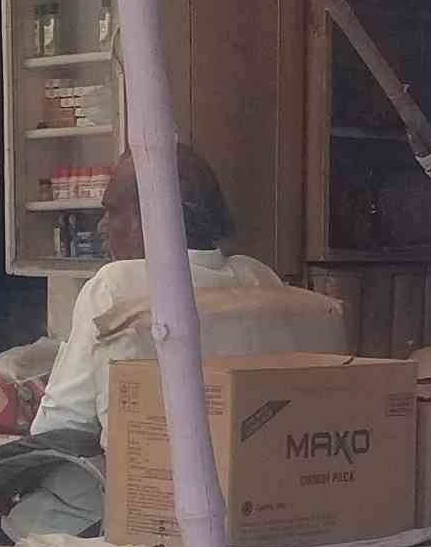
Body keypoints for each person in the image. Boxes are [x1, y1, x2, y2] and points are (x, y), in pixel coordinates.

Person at [31, 143, 310, 446]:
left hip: (143, 471)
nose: (102, 226)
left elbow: (60, 424)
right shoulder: (258, 277)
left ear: (152, 219)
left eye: (112, 212)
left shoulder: (115, 284)